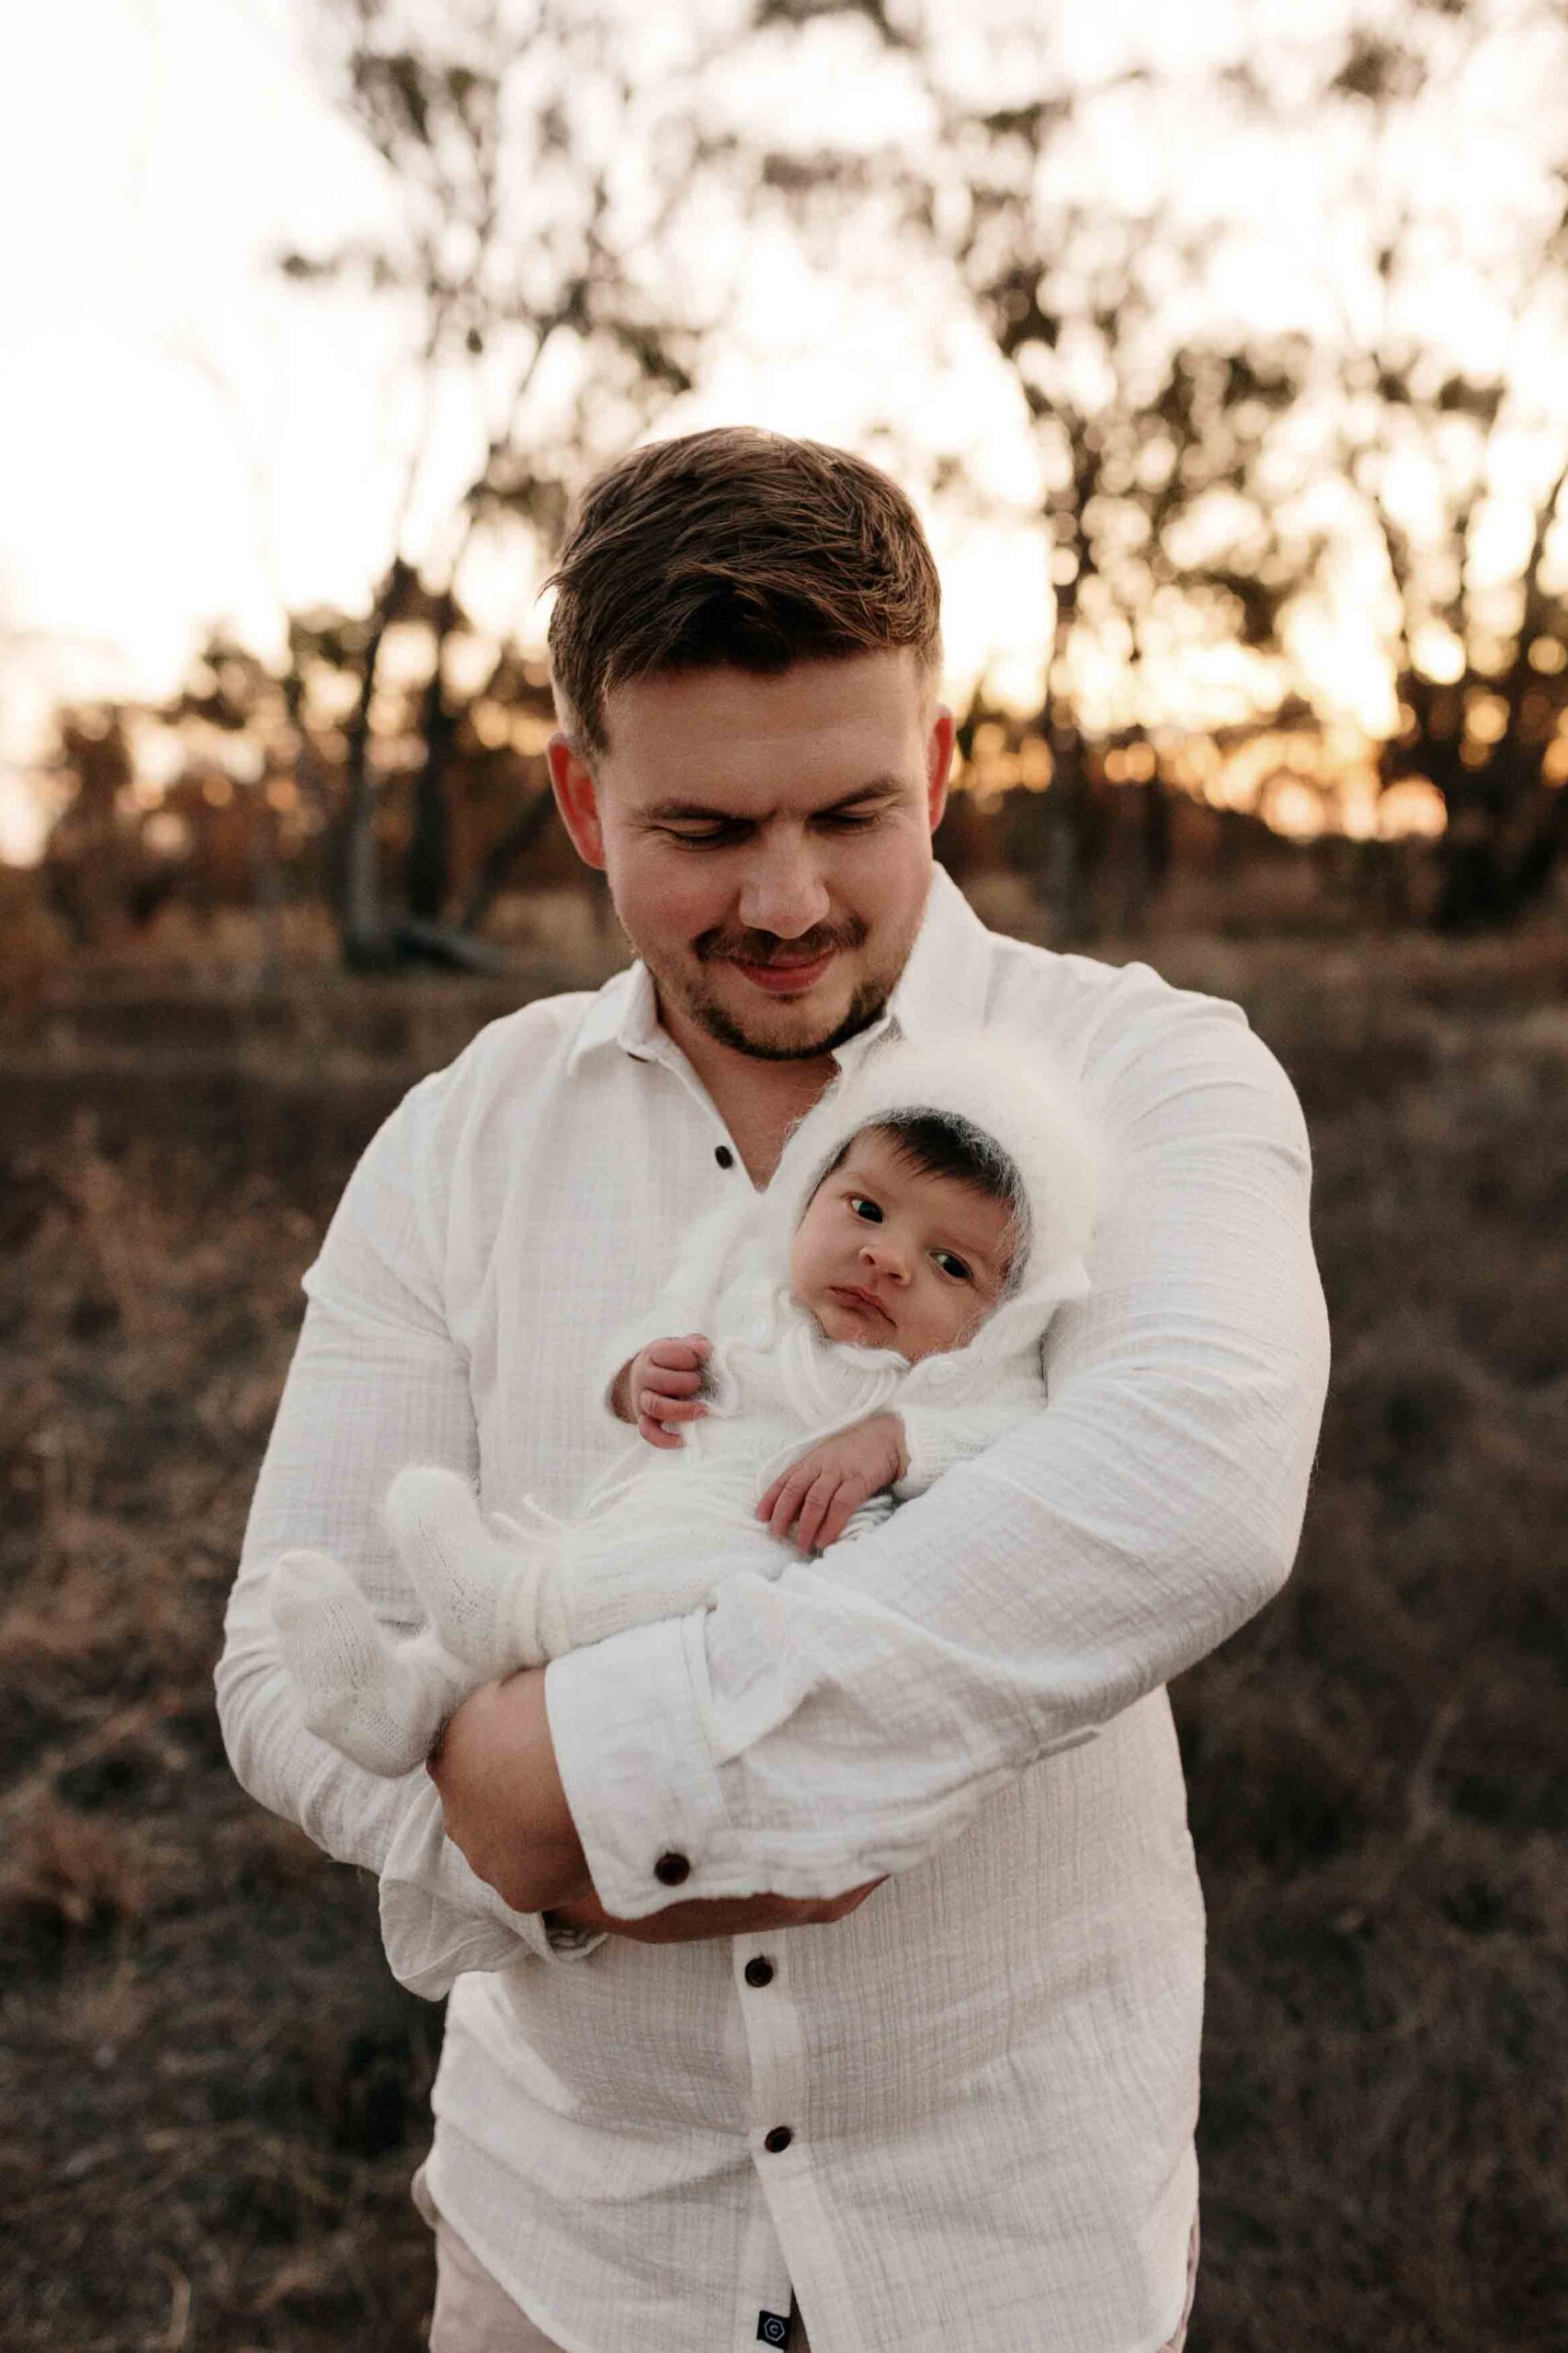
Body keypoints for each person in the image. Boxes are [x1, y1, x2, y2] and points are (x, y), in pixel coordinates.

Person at [214, 425, 1331, 2353]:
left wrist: (597, 1777)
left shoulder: (1154, 1073)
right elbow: (283, 1656)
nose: (793, 900)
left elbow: (1195, 1477)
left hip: (1012, 2251)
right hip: (567, 2255)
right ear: (580, 796)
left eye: (852, 812)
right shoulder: (452, 1137)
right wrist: (518, 1856)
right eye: (707, 834)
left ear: (944, 764)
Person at [266, 1027, 1105, 1779]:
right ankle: (401, 1702)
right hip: (648, 1514)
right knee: (577, 1563)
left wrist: (894, 1439)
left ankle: (505, 1612)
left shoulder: (964, 1377)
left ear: (1002, 1317)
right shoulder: (748, 1280)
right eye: (867, 1209)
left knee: (629, 1581)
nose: (887, 1258)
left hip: (761, 1564)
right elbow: (658, 1332)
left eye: (952, 1265)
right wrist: (639, 1379)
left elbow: (1015, 1431)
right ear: (809, 1193)